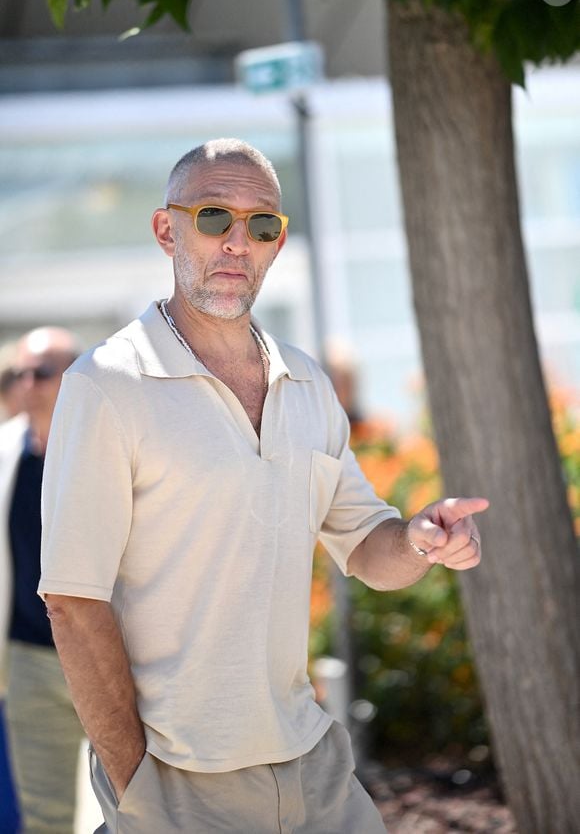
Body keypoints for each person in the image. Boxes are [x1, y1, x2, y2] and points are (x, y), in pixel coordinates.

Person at [39, 139, 488, 834]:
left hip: (311, 759)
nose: (237, 243)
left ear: (279, 243)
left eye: (262, 224)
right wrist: (137, 786)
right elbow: (72, 600)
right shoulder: (106, 385)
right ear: (168, 230)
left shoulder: (306, 381)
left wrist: (423, 538)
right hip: (178, 778)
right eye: (213, 216)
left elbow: (369, 545)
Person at [0, 327, 85, 833]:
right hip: (28, 658)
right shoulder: (3, 450)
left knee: (135, 805)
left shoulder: (110, 444)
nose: (29, 383)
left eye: (44, 371)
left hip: (109, 654)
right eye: (19, 373)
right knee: (42, 815)